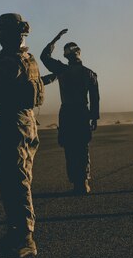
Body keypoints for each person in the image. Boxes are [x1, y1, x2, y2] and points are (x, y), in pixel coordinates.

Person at [0, 13, 45, 258]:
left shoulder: (7, 61)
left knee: (15, 179)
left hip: (13, 121)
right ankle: (15, 233)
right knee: (16, 176)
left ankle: (26, 237)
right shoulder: (29, 58)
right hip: (27, 120)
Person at [40, 29, 101, 195]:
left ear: (66, 56)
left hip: (67, 113)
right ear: (79, 53)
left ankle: (77, 183)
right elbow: (95, 98)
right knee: (82, 147)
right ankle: (83, 183)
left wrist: (56, 38)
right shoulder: (90, 73)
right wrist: (94, 117)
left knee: (70, 148)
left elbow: (44, 56)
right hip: (82, 112)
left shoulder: (61, 70)